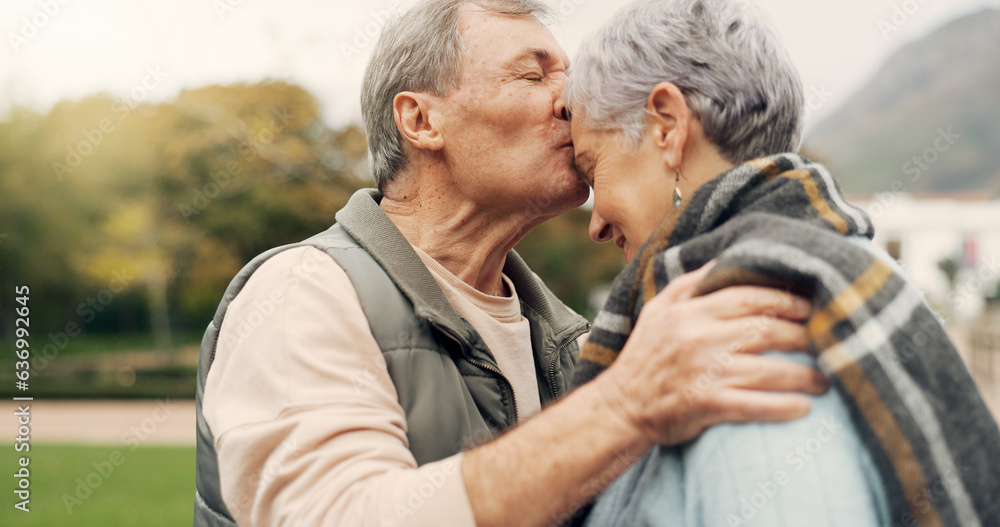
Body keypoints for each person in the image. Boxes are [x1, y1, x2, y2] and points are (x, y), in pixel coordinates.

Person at [191, 1, 831, 526]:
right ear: (421, 120)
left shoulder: (576, 339)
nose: (572, 102)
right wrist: (622, 406)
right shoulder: (303, 292)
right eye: (534, 75)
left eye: (570, 77)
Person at [564, 0, 1000, 525]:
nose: (596, 224)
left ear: (667, 127)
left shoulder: (740, 330)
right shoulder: (840, 269)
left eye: (594, 167)